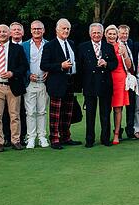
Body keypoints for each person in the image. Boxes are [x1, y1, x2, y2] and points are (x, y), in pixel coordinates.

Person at [40, 18, 82, 150]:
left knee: (67, 112)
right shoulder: (49, 46)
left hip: (70, 81)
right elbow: (44, 65)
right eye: (63, 28)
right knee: (55, 113)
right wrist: (60, 65)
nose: (66, 31)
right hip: (56, 83)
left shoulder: (72, 43)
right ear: (57, 30)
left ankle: (66, 137)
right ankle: (54, 139)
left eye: (68, 29)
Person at [0, 24, 28, 152]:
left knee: (15, 115)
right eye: (0, 31)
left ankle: (16, 140)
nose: (2, 33)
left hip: (13, 85)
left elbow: (24, 66)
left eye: (5, 31)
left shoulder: (17, 49)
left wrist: (12, 73)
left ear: (9, 34)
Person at [78, 23, 118, 147]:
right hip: (89, 85)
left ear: (102, 34)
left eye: (98, 32)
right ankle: (89, 139)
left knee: (105, 114)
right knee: (90, 114)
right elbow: (79, 67)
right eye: (94, 32)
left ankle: (105, 139)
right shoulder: (82, 47)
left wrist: (106, 63)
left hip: (105, 84)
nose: (96, 35)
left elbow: (115, 64)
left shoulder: (108, 47)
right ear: (90, 34)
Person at [22, 20, 49, 148]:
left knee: (42, 111)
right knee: (30, 111)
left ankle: (42, 136)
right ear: (31, 30)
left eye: (39, 29)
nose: (37, 31)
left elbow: (53, 61)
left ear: (43, 30)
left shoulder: (49, 44)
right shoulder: (24, 45)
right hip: (30, 83)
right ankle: (31, 137)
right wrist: (28, 74)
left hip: (44, 83)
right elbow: (21, 64)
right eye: (34, 29)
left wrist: (48, 71)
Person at [105, 24, 132, 145]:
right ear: (105, 34)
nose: (112, 36)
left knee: (118, 108)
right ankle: (105, 134)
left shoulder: (121, 46)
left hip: (119, 78)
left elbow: (129, 65)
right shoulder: (102, 46)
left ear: (117, 35)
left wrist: (124, 54)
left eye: (114, 34)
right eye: (109, 34)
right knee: (105, 108)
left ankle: (117, 134)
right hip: (105, 79)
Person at [6, 21, 27, 144]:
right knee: (6, 113)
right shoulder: (4, 47)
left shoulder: (27, 45)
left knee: (22, 112)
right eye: (14, 30)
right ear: (10, 33)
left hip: (25, 83)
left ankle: (21, 136)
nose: (17, 31)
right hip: (9, 84)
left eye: (19, 30)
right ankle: (7, 138)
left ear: (23, 32)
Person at [118, 24, 136, 140]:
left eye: (126, 33)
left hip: (131, 79)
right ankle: (117, 131)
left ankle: (130, 130)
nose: (124, 35)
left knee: (131, 106)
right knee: (119, 107)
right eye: (122, 33)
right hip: (120, 79)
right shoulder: (115, 45)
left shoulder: (130, 43)